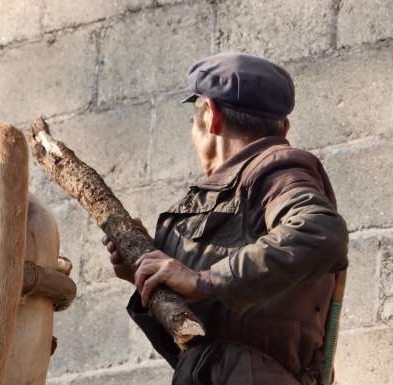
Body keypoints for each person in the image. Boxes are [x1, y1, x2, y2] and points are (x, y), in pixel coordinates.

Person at [103, 53, 348, 385]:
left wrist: (201, 281)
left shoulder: (275, 168)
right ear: (284, 126)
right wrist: (144, 276)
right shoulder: (221, 194)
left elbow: (319, 232)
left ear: (210, 113)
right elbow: (193, 343)